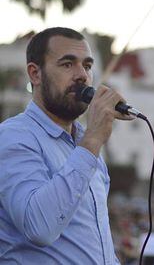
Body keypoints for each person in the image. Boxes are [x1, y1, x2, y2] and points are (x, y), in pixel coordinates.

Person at [0, 27, 134, 264]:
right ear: (35, 74)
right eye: (67, 64)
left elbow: (93, 242)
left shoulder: (83, 146)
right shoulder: (13, 137)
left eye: (88, 66)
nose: (82, 75)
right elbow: (39, 227)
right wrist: (92, 140)